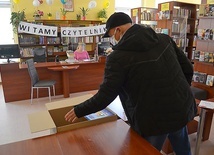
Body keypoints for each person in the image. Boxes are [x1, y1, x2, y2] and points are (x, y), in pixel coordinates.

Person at [65, 12, 197, 155]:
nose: (113, 39)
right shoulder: (164, 39)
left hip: (152, 119)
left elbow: (105, 96)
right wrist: (179, 91)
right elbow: (188, 68)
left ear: (118, 30)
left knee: (146, 151)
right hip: (180, 108)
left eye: (111, 35)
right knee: (183, 150)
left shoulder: (117, 58)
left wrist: (79, 110)